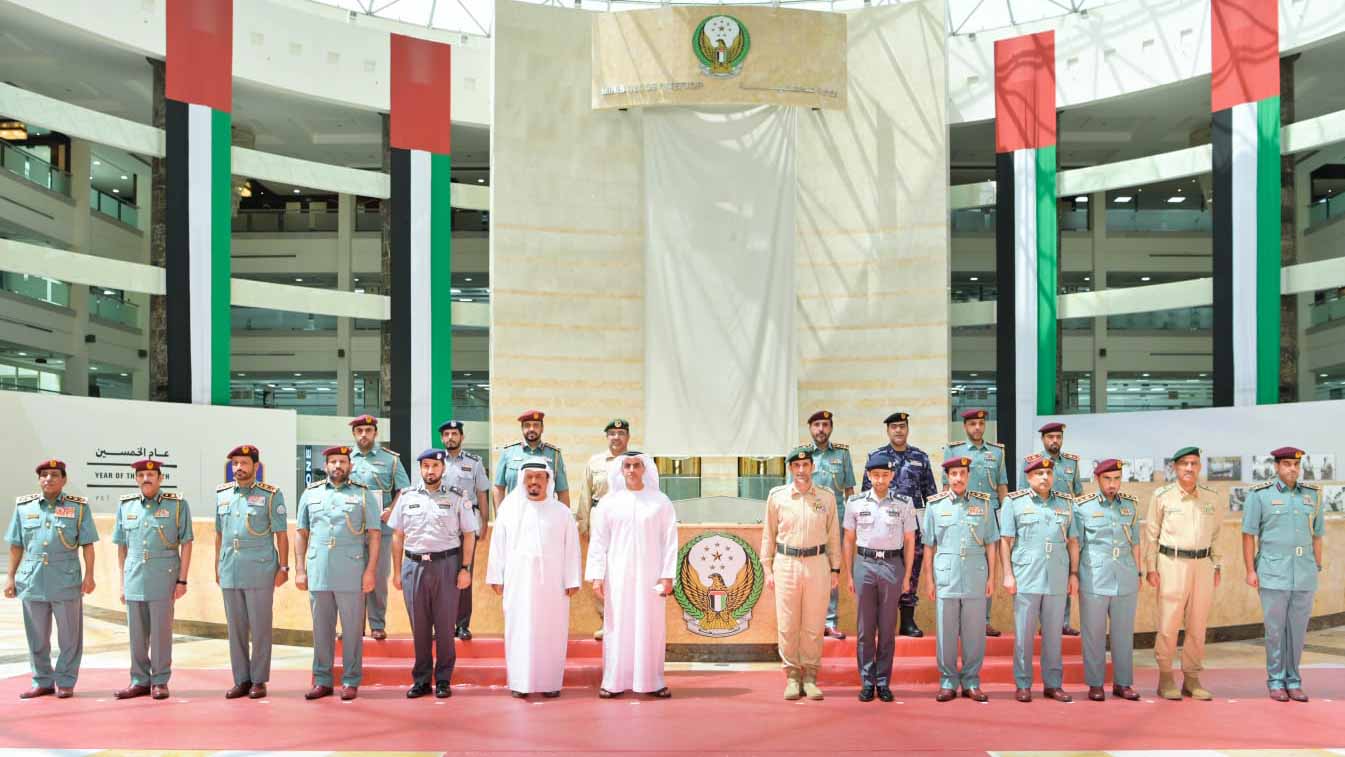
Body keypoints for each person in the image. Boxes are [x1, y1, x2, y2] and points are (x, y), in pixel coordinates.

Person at [585, 451, 679, 698]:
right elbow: (598, 542)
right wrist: (597, 575)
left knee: (651, 627)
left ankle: (653, 681)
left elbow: (669, 541)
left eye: (637, 465)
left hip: (651, 578)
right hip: (617, 577)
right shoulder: (608, 503)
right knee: (617, 627)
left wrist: (668, 575)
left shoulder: (660, 502)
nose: (632, 470)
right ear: (620, 469)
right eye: (627, 465)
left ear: (645, 469)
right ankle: (613, 682)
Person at [487, 457, 582, 698]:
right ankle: (520, 683)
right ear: (522, 480)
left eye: (539, 477)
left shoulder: (561, 512)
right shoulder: (509, 508)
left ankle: (550, 683)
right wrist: (496, 576)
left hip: (553, 585)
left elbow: (572, 548)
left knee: (552, 631)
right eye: (529, 477)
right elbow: (498, 544)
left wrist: (572, 579)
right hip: (518, 583)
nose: (533, 482)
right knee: (519, 630)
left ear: (548, 480)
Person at [5, 459, 96, 699]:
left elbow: (87, 545)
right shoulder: (24, 507)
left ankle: (65, 681)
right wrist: (10, 578)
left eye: (55, 475)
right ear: (39, 479)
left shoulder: (78, 508)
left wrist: (89, 575)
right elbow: (16, 545)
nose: (48, 478)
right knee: (36, 636)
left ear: (64, 479)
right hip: (32, 579)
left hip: (65, 579)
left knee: (69, 636)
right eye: (44, 474)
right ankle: (42, 680)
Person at [390, 449, 478, 699]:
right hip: (413, 567)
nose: (430, 471)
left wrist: (465, 569)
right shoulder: (406, 497)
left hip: (447, 566)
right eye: (426, 466)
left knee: (444, 625)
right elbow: (397, 536)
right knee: (419, 627)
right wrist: (397, 572)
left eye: (435, 466)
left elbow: (469, 534)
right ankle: (421, 680)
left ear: (443, 469)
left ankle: (443, 679)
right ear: (420, 469)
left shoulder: (457, 497)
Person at [296, 445, 380, 701]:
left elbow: (374, 535)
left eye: (342, 461)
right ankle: (322, 680)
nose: (337, 466)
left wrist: (370, 571)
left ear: (350, 465)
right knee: (321, 629)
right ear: (326, 465)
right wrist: (300, 569)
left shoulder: (364, 495)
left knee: (353, 630)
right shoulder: (310, 494)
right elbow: (301, 532)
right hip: (319, 569)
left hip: (352, 571)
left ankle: (351, 680)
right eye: (332, 461)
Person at [1242, 446, 1325, 703]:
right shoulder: (1260, 495)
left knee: (1297, 631)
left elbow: (1318, 534)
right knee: (1275, 630)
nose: (1292, 469)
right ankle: (1276, 681)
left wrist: (1317, 565)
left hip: (1303, 572)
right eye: (1287, 464)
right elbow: (1248, 535)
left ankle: (1294, 680)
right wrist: (1250, 570)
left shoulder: (1312, 496)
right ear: (1276, 466)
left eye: (1296, 465)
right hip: (1272, 571)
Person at [1144, 446, 1225, 701]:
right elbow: (1151, 534)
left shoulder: (1211, 497)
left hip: (1202, 564)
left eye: (1194, 463)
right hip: (1172, 563)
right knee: (1169, 623)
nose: (1189, 468)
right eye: (1184, 464)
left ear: (1199, 467)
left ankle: (1191, 677)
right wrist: (1151, 567)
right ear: (1175, 467)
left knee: (1198, 624)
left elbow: (1217, 534)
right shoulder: (1163, 496)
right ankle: (1165, 676)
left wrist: (1217, 564)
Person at [761, 447, 841, 701]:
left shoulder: (826, 498)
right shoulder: (778, 497)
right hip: (786, 563)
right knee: (787, 624)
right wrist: (767, 566)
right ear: (790, 469)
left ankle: (810, 676)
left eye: (806, 465)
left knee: (814, 624)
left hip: (817, 563)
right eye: (797, 466)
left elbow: (834, 536)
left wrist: (835, 567)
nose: (802, 470)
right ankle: (793, 676)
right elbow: (768, 534)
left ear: (812, 467)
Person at [112, 459, 193, 701]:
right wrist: (122, 582)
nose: (146, 479)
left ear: (160, 478)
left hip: (164, 575)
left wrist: (182, 580)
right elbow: (122, 548)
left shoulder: (177, 505)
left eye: (151, 475)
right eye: (141, 475)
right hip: (135, 575)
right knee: (136, 633)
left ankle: (159, 681)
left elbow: (186, 543)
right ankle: (138, 680)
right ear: (136, 479)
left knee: (160, 632)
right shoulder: (126, 506)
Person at [1001, 455, 1076, 703]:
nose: (1045, 477)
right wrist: (1008, 574)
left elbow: (1073, 541)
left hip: (1056, 577)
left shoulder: (1065, 503)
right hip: (1026, 577)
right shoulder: (1013, 502)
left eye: (1049, 474)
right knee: (1024, 636)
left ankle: (1053, 684)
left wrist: (1073, 574)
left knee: (1053, 636)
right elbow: (1006, 541)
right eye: (1039, 474)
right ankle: (1023, 684)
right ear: (1028, 477)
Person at [215, 445, 288, 700]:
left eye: (244, 463)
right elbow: (219, 533)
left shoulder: (271, 495)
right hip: (230, 568)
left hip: (260, 568)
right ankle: (241, 679)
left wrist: (284, 567)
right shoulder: (223, 494)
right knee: (235, 628)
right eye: (235, 463)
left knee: (260, 627)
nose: (239, 468)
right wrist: (217, 565)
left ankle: (258, 680)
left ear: (256, 467)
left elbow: (281, 534)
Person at [922, 456, 997, 703]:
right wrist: (929, 581)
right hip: (947, 575)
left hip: (976, 574)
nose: (958, 478)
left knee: (975, 632)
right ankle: (947, 681)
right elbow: (929, 547)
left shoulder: (984, 504)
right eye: (954, 474)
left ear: (968, 476)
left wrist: (991, 577)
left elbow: (991, 544)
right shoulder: (935, 506)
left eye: (962, 473)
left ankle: (972, 681)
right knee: (946, 632)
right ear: (947, 477)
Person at [842, 453, 915, 702]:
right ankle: (866, 681)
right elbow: (848, 539)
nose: (880, 479)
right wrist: (850, 573)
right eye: (876, 475)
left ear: (892, 475)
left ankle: (883, 681)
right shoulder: (855, 502)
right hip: (865, 564)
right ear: (869, 476)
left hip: (892, 565)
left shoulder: (904, 503)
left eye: (885, 475)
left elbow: (910, 539)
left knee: (886, 628)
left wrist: (906, 576)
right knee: (864, 629)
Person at [1071, 459, 1141, 701]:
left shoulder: (1130, 506)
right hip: (1094, 577)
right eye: (1108, 479)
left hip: (1125, 576)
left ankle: (1123, 683)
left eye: (1116, 479)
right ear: (1097, 479)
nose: (1113, 484)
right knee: (1094, 633)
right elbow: (1076, 544)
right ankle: (1095, 683)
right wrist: (1075, 575)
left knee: (1123, 633)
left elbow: (1136, 543)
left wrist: (1138, 572)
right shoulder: (1082, 507)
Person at [863, 411, 936, 637]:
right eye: (894, 426)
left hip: (911, 527)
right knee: (884, 572)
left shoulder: (920, 458)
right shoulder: (876, 457)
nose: (898, 430)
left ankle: (907, 621)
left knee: (911, 572)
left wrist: (929, 528)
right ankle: (882, 623)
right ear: (888, 430)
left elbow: (930, 495)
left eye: (902, 426)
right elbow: (866, 494)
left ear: (907, 428)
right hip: (883, 529)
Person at [942, 408, 1008, 637]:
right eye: (972, 424)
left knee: (987, 569)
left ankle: (984, 620)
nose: (977, 428)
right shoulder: (953, 450)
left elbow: (1002, 486)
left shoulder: (997, 452)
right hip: (961, 516)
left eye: (981, 423)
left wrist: (1007, 520)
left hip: (987, 519)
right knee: (960, 568)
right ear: (965, 426)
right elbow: (945, 488)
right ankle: (960, 621)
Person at [347, 414, 410, 642]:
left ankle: (377, 625)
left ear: (375, 433)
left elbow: (404, 489)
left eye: (368, 431)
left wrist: (391, 509)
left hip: (381, 529)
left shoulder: (390, 460)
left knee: (378, 578)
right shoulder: (344, 459)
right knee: (350, 580)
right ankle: (352, 627)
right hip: (350, 530)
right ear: (354, 434)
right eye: (359, 431)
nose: (364, 434)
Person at [1019, 422, 1083, 636]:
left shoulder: (1072, 463)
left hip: (1063, 527)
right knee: (1037, 576)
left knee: (1063, 574)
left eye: (1058, 437)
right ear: (1043, 439)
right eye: (1050, 437)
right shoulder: (1030, 463)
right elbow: (1021, 495)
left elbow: (1078, 495)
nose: (1055, 440)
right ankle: (1041, 622)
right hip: (1037, 526)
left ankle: (1062, 622)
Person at [576, 418, 632, 641]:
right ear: (606, 436)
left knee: (626, 569)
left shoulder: (636, 460)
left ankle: (626, 622)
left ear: (627, 437)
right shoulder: (595, 461)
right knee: (600, 570)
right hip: (600, 517)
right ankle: (605, 622)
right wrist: (584, 522)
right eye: (612, 433)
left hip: (627, 518)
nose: (616, 437)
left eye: (620, 433)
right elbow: (585, 493)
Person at [805, 410, 855, 640]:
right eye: (817, 425)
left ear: (831, 428)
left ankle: (830, 622)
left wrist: (853, 521)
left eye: (825, 424)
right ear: (810, 429)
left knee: (833, 571)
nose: (821, 429)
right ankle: (811, 623)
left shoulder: (842, 454)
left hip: (837, 521)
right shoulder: (803, 455)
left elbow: (849, 491)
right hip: (811, 522)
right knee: (811, 572)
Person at [438, 419, 490, 641]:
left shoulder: (474, 462)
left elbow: (482, 494)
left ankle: (462, 625)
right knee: (441, 577)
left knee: (464, 573)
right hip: (442, 525)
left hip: (467, 525)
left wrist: (485, 523)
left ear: (462, 437)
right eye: (447, 434)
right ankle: (443, 625)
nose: (451, 437)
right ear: (442, 438)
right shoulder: (434, 461)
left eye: (454, 434)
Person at [494, 410, 570, 507]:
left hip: (545, 516)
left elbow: (562, 491)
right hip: (515, 516)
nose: (531, 428)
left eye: (536, 425)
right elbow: (499, 488)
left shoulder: (554, 455)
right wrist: (500, 516)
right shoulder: (508, 452)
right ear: (522, 428)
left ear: (542, 428)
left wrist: (563, 519)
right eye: (527, 425)